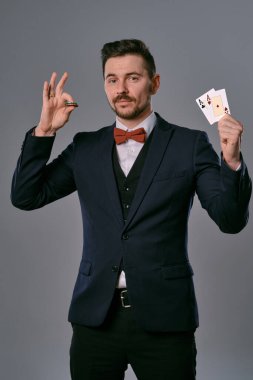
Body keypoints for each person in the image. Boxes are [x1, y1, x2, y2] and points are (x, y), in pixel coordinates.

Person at [11, 39, 251, 380]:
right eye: (112, 79)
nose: (121, 89)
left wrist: (231, 160)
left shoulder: (190, 144)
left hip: (166, 320)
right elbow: (25, 196)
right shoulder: (85, 147)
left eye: (133, 78)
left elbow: (230, 220)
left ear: (154, 83)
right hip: (95, 320)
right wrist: (45, 131)